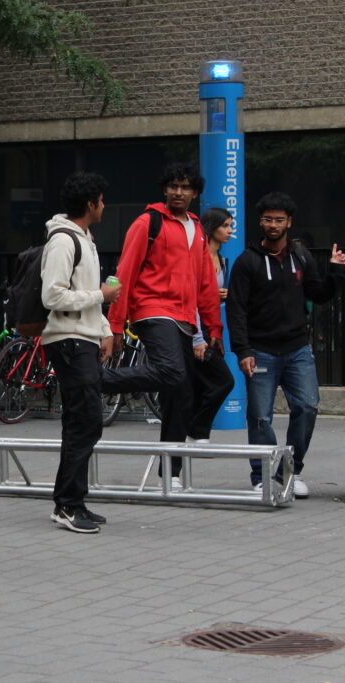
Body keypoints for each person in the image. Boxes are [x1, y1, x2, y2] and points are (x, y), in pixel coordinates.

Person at [105, 162, 223, 489]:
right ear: (165, 189)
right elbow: (123, 273)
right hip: (152, 310)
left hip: (184, 318)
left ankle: (169, 476)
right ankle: (97, 380)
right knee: (172, 372)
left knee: (181, 396)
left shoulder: (197, 228)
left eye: (185, 187)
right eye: (173, 186)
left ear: (195, 192)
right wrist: (115, 326)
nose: (178, 192)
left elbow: (205, 285)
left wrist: (214, 328)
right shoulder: (148, 222)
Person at [226, 192, 345, 497]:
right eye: (268, 219)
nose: (273, 225)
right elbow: (236, 309)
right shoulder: (247, 261)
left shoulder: (301, 257)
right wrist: (243, 351)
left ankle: (291, 472)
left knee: (307, 407)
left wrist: (335, 272)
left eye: (279, 219)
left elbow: (318, 294)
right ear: (260, 222)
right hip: (261, 349)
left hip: (297, 348)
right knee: (261, 416)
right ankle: (263, 475)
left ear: (289, 222)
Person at [40, 172, 121, 533]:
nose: (104, 206)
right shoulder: (63, 241)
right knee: (84, 420)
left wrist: (103, 330)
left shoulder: (85, 238)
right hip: (68, 340)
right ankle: (68, 504)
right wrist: (101, 297)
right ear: (90, 204)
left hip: (82, 338)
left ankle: (74, 501)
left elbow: (86, 294)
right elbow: (52, 296)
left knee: (84, 420)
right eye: (101, 200)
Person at [185, 208, 236, 445]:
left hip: (211, 326)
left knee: (205, 381)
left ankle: (195, 430)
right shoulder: (199, 254)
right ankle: (196, 429)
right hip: (195, 326)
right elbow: (193, 293)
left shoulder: (222, 259)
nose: (229, 231)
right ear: (212, 227)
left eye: (230, 225)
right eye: (225, 225)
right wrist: (197, 336)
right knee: (224, 380)